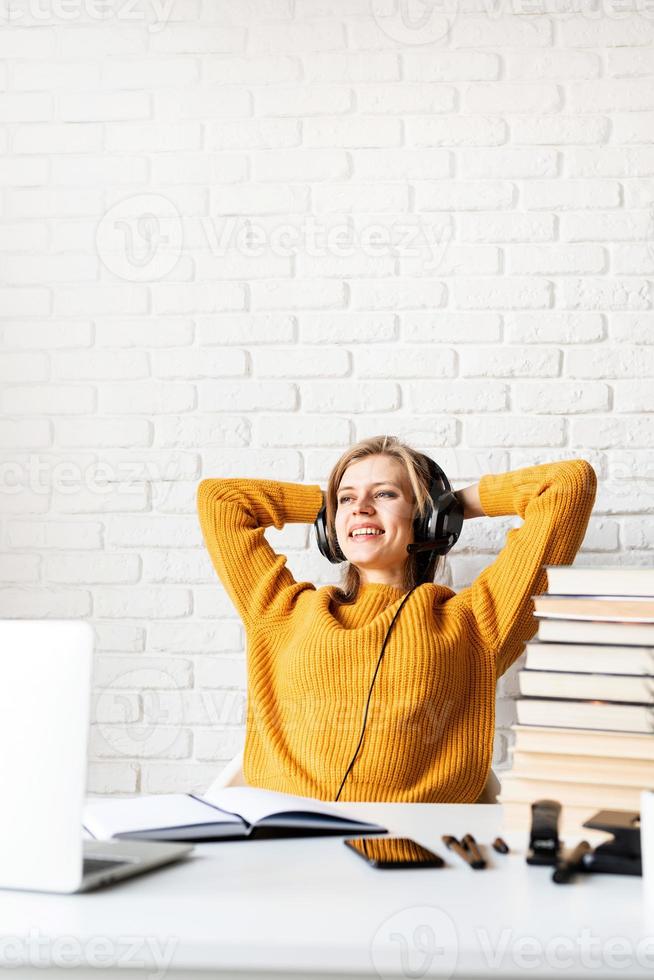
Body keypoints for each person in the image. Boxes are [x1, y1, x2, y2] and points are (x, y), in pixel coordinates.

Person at [196, 435, 597, 803]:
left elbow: (566, 484)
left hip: (414, 851)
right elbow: (221, 500)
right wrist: (332, 507)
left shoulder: (476, 624)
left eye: (384, 494)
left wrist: (448, 506)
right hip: (286, 845)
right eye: (347, 498)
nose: (361, 508)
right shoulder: (282, 611)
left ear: (425, 519)